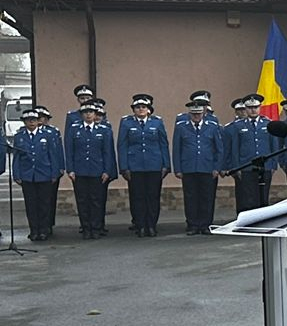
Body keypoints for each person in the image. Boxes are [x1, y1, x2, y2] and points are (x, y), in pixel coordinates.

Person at [117, 94, 170, 237]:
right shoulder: (126, 123)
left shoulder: (157, 122)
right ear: (133, 110)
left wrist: (166, 164)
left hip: (154, 165)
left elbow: (164, 144)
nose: (140, 109)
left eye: (143, 107)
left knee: (153, 197)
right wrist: (124, 167)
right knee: (138, 197)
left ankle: (151, 225)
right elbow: (122, 145)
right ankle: (140, 225)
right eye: (137, 107)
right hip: (135, 166)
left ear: (149, 110)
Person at [10, 105, 64, 241]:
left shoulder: (47, 135)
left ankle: (44, 230)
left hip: (44, 174)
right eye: (28, 120)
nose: (32, 122)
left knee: (44, 204)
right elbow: (16, 157)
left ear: (38, 121)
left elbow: (53, 155)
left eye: (34, 119)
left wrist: (54, 174)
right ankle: (34, 230)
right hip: (28, 175)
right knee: (31, 205)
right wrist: (16, 175)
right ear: (24, 122)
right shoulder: (20, 136)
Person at [65, 98, 116, 239]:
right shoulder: (74, 129)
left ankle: (96, 228)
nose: (88, 115)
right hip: (79, 171)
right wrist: (70, 169)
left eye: (91, 112)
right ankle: (86, 228)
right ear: (81, 114)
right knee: (82, 201)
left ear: (95, 114)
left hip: (97, 171)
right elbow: (69, 151)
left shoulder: (104, 130)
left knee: (96, 201)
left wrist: (107, 170)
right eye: (85, 112)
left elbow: (107, 152)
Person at [172, 96, 222, 233]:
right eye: (193, 114)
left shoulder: (212, 127)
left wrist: (217, 167)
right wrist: (178, 168)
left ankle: (206, 224)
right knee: (190, 197)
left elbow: (218, 149)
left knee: (207, 197)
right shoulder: (182, 127)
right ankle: (193, 224)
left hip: (207, 168)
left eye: (198, 114)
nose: (196, 116)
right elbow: (177, 149)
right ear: (189, 114)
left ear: (203, 113)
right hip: (188, 168)